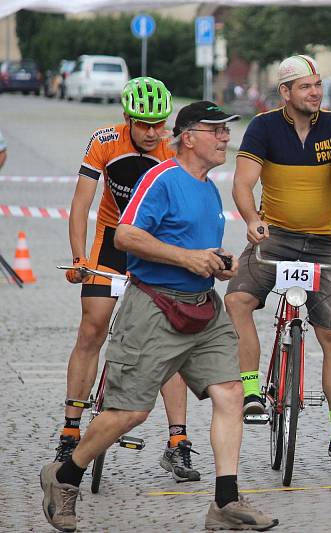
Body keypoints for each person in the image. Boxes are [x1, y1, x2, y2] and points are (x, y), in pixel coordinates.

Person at [40, 101, 279, 531]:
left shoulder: (208, 187)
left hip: (204, 308)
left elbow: (200, 250)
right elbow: (127, 235)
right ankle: (64, 475)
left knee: (230, 395)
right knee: (129, 413)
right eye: (216, 130)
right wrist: (188, 258)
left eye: (227, 131)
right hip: (153, 307)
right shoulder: (161, 178)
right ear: (188, 137)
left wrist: (222, 263)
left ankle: (225, 502)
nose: (226, 137)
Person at [224, 55, 331, 471]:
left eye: (318, 85)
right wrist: (252, 221)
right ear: (285, 92)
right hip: (274, 237)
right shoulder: (263, 127)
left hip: (323, 242)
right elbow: (242, 182)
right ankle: (252, 391)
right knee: (236, 302)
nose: (315, 93)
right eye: (306, 87)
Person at [58, 77, 201, 483]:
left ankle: (178, 443)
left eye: (160, 123)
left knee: (168, 342)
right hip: (111, 243)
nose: (153, 132)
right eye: (144, 124)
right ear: (126, 119)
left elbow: (190, 205)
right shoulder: (105, 139)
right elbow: (81, 201)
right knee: (92, 328)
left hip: (156, 247)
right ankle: (71, 430)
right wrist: (78, 258)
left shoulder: (174, 149)